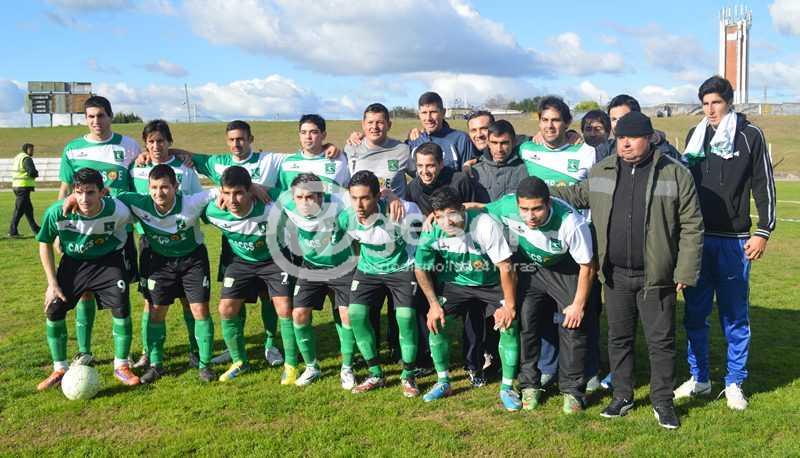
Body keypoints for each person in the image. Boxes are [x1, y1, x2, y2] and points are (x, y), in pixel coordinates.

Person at [551, 111, 704, 429]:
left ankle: (663, 401)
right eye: (620, 137)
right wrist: (539, 189)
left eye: (632, 138)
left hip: (656, 275)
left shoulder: (675, 173)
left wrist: (685, 271)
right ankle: (622, 396)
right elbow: (576, 195)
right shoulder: (602, 170)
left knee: (660, 342)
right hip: (614, 274)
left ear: (649, 138)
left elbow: (692, 225)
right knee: (618, 338)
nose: (625, 144)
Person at [675, 75, 776, 411]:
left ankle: (734, 382)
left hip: (735, 241)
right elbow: (683, 188)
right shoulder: (695, 136)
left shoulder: (750, 135)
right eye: (705, 104)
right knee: (694, 315)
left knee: (734, 317)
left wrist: (763, 231)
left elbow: (763, 184)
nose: (710, 110)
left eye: (715, 102)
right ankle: (700, 377)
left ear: (729, 102)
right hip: (698, 240)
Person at [483, 176, 597, 414]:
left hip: (566, 269)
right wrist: (436, 215)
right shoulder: (506, 205)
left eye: (536, 209)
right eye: (524, 209)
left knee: (571, 325)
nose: (530, 216)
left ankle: (573, 391)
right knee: (527, 322)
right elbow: (478, 209)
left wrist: (578, 305)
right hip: (531, 269)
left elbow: (588, 267)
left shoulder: (571, 222)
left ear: (549, 203)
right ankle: (529, 384)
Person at [517, 96, 601, 390]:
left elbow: (597, 189)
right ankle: (548, 367)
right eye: (544, 120)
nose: (549, 126)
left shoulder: (586, 152)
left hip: (576, 241)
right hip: (541, 243)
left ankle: (589, 368)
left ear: (567, 123)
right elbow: (494, 143)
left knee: (583, 309)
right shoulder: (526, 149)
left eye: (556, 120)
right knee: (542, 313)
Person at [414, 187, 520, 411]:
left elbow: (505, 267)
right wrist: (433, 304)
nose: (447, 222)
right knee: (435, 321)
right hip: (456, 284)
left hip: (491, 283)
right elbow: (420, 269)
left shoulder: (484, 225)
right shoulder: (432, 230)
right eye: (439, 216)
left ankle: (508, 387)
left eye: (451, 214)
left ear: (462, 210)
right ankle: (443, 382)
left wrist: (509, 306)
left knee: (508, 324)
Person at [36, 168, 140, 390]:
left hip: (108, 261)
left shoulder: (118, 210)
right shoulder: (57, 212)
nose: (84, 198)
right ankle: (59, 368)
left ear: (102, 192)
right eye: (79, 192)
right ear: (73, 192)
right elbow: (44, 243)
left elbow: (142, 211)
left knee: (121, 307)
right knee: (54, 308)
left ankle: (121, 365)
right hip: (74, 263)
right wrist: (52, 284)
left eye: (91, 192)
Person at [113, 165, 217, 383]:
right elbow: (110, 199)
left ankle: (204, 364)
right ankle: (156, 364)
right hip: (159, 262)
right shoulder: (138, 202)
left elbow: (220, 190)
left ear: (176, 187)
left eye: (164, 187)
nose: (159, 193)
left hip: (192, 260)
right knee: (156, 311)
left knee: (199, 309)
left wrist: (252, 189)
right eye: (154, 187)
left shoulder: (191, 202)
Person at [57, 95, 141, 366]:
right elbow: (65, 190)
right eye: (91, 116)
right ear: (85, 119)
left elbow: (139, 182)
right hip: (82, 232)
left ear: (111, 116)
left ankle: (123, 354)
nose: (96, 121)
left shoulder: (129, 146)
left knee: (121, 291)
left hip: (119, 231)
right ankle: (84, 351)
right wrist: (60, 231)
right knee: (84, 292)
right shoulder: (73, 149)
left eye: (101, 115)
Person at [204, 166, 294, 383]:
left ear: (250, 192)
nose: (232, 200)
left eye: (238, 193)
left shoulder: (270, 208)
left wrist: (262, 188)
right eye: (227, 193)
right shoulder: (213, 212)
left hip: (274, 258)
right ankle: (239, 362)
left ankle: (290, 364)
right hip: (241, 262)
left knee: (284, 307)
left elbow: (295, 195)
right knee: (226, 308)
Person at [130, 120, 205, 371]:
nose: (156, 146)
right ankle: (148, 352)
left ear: (169, 142)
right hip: (150, 243)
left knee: (188, 300)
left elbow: (197, 202)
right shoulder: (137, 169)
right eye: (150, 142)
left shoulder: (185, 169)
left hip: (183, 241)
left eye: (160, 141)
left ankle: (196, 350)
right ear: (145, 144)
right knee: (150, 302)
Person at [338, 170, 422, 396]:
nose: (359, 205)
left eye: (365, 198)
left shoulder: (404, 210)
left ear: (377, 196)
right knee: (355, 314)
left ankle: (409, 375)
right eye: (354, 198)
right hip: (368, 270)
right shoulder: (346, 218)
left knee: (405, 317)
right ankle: (375, 373)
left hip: (402, 268)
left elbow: (424, 234)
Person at [281, 173, 359, 388]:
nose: (304, 203)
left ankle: (347, 368)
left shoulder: (341, 203)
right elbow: (260, 193)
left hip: (342, 267)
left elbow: (366, 200)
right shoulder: (286, 204)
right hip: (311, 267)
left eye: (310, 197)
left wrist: (390, 197)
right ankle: (311, 367)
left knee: (346, 315)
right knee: (298, 314)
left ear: (321, 196)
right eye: (299, 197)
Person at [345, 103, 410, 197]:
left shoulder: (402, 150)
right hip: (361, 206)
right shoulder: (351, 148)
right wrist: (328, 146)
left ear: (389, 125)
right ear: (363, 125)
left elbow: (422, 176)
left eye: (380, 122)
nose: (374, 127)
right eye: (370, 122)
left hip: (393, 206)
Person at [594, 94, 679, 161]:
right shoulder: (604, 151)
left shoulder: (666, 152)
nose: (617, 124)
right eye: (613, 119)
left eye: (623, 118)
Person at [406, 92, 477, 172]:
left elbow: (466, 175)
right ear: (419, 114)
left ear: (443, 112)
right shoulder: (414, 140)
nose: (428, 118)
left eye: (433, 112)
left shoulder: (461, 139)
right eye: (424, 113)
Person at [472, 120, 529, 201]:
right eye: (494, 143)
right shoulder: (475, 171)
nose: (499, 149)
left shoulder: (525, 169)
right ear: (488, 143)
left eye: (504, 143)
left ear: (513, 143)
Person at [8, 143, 41, 237]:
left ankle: (36, 229)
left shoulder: (18, 157)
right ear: (26, 149)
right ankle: (12, 231)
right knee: (19, 210)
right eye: (31, 149)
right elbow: (32, 172)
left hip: (17, 186)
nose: (33, 151)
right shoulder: (27, 159)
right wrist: (36, 173)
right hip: (23, 187)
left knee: (28, 209)